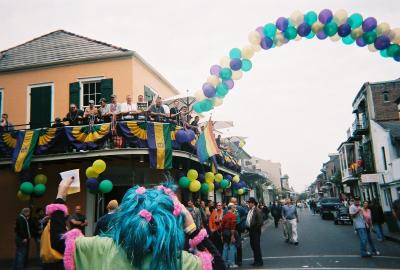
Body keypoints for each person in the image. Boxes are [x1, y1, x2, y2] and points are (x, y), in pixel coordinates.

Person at [45, 177, 226, 270]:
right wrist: (192, 227)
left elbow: (58, 241)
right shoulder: (177, 261)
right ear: (169, 222)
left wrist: (61, 195)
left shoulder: (102, 249)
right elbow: (218, 265)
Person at [246, 197, 263, 267]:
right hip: (251, 230)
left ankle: (259, 261)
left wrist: (254, 228)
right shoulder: (251, 210)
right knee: (253, 246)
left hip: (255, 231)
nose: (248, 204)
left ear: (253, 203)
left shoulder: (257, 210)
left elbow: (260, 222)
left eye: (249, 202)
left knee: (256, 246)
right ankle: (256, 260)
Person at [221, 203, 238, 268]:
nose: (235, 208)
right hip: (230, 232)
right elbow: (233, 227)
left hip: (224, 232)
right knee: (232, 247)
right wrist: (232, 236)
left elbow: (222, 226)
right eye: (234, 207)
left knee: (225, 247)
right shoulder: (233, 216)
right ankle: (231, 263)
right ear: (231, 208)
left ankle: (224, 263)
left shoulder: (224, 216)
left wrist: (222, 235)